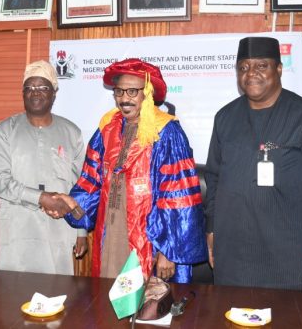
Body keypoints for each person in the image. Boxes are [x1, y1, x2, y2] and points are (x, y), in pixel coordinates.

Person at [203, 36, 302, 291]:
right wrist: (212, 228)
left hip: (288, 257)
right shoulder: (225, 118)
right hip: (233, 255)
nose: (251, 73)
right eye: (244, 67)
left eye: (262, 65)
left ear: (279, 69)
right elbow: (214, 178)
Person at [56, 59, 207, 283]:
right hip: (112, 229)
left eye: (132, 92)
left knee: (146, 298)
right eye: (119, 91)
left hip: (150, 237)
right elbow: (91, 180)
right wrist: (71, 205)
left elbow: (178, 196)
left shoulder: (167, 132)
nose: (124, 98)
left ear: (147, 94)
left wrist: (168, 250)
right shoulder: (107, 127)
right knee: (109, 290)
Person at [0, 60, 86, 275]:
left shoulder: (72, 132)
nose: (35, 92)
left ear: (54, 93)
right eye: (29, 87)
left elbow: (79, 186)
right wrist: (40, 197)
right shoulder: (5, 130)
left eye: (43, 87)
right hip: (19, 229)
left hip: (58, 229)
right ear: (23, 93)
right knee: (15, 291)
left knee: (57, 291)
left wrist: (81, 231)